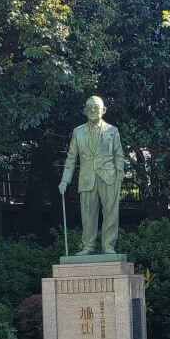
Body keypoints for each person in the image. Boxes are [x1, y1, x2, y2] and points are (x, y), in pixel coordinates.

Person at [59, 96, 125, 255]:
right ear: (84, 110)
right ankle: (88, 246)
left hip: (109, 177)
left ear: (104, 110)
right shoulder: (78, 132)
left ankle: (108, 245)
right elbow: (71, 157)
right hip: (87, 178)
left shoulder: (112, 131)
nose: (93, 110)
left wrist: (119, 177)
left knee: (110, 212)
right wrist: (65, 180)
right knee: (87, 214)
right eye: (89, 107)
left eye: (96, 107)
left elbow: (119, 155)